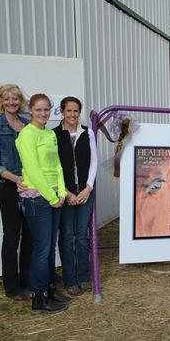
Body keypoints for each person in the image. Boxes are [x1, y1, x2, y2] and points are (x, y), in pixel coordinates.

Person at [16, 93, 71, 313]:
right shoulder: (26, 135)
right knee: (42, 248)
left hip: (55, 195)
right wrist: (50, 196)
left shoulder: (49, 133)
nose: (43, 113)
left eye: (46, 110)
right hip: (37, 198)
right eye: (38, 110)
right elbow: (33, 170)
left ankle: (49, 289)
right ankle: (38, 298)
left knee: (49, 249)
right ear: (30, 110)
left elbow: (57, 165)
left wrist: (61, 193)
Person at [0, 84, 31, 300]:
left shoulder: (28, 124)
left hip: (32, 187)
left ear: (20, 101)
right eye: (6, 99)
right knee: (12, 237)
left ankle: (28, 281)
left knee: (30, 236)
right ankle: (12, 287)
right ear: (0, 101)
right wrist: (17, 179)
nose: (11, 102)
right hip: (10, 188)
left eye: (15, 99)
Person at [53, 97, 97, 296]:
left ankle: (84, 276)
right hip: (66, 194)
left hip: (86, 192)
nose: (73, 115)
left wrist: (88, 188)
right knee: (67, 236)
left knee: (82, 236)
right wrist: (67, 193)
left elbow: (94, 162)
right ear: (62, 111)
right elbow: (54, 167)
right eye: (69, 111)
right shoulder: (53, 135)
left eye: (76, 111)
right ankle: (70, 279)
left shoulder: (88, 132)